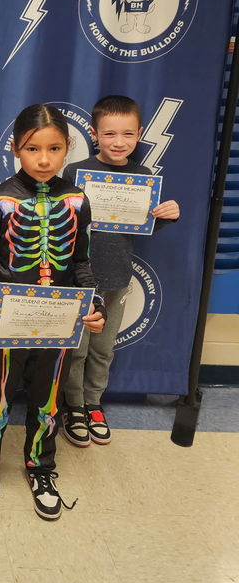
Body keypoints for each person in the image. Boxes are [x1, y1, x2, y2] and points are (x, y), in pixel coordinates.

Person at [0, 104, 106, 521]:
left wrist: (94, 302)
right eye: (32, 149)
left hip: (57, 323)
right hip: (4, 321)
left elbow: (81, 261)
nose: (44, 160)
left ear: (68, 148)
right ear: (15, 149)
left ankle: (41, 468)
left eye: (54, 149)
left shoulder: (77, 200)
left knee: (48, 401)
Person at [61, 95, 180, 446]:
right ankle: (73, 406)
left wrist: (165, 217)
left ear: (139, 134)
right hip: (78, 280)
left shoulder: (143, 176)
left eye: (127, 134)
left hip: (116, 278)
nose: (118, 141)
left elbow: (142, 226)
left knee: (102, 348)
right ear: (94, 134)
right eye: (109, 133)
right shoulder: (75, 172)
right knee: (77, 349)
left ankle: (93, 403)